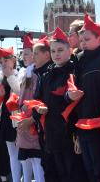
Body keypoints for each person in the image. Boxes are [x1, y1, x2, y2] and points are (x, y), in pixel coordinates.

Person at [68, 13, 100, 182]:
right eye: (81, 41)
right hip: (82, 123)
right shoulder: (79, 61)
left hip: (99, 124)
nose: (83, 44)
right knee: (89, 169)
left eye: (87, 40)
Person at [35, 27, 78, 182]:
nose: (56, 54)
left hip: (68, 131)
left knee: (70, 172)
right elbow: (37, 99)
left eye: (60, 50)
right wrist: (38, 108)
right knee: (52, 171)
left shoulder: (75, 70)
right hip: (50, 132)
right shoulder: (46, 75)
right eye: (53, 51)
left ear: (70, 50)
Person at [15, 35, 45, 182]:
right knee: (31, 160)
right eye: (23, 53)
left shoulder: (35, 74)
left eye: (28, 53)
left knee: (37, 161)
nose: (24, 56)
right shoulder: (26, 73)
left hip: (32, 120)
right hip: (26, 119)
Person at [0, 46, 22, 182]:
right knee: (12, 153)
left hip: (17, 118)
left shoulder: (19, 74)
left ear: (14, 60)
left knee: (22, 154)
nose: (4, 63)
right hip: (5, 118)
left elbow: (20, 92)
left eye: (6, 59)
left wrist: (10, 76)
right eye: (1, 61)